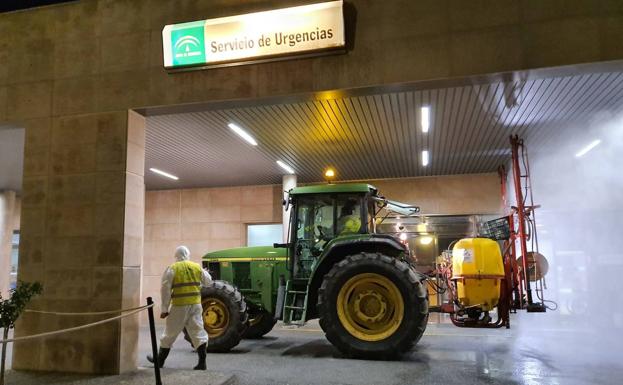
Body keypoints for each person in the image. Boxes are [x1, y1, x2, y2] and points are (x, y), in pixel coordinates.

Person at [147, 245, 212, 370]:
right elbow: (208, 281)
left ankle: (159, 360)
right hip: (196, 305)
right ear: (188, 254)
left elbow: (165, 290)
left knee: (169, 333)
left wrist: (164, 309)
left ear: (176, 256)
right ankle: (202, 363)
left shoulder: (172, 268)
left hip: (179, 306)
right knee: (198, 332)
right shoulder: (196, 267)